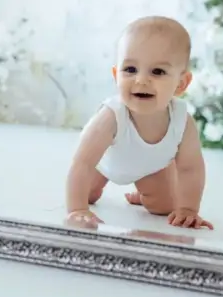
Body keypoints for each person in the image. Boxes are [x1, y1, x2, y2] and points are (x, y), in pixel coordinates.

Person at [65, 16, 213, 230]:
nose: (141, 80)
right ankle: (97, 190)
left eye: (158, 71)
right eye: (130, 70)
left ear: (181, 84)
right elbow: (82, 163)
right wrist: (77, 210)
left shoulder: (182, 121)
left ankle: (144, 193)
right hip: (104, 165)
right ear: (116, 75)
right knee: (88, 195)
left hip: (150, 169)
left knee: (164, 207)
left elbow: (191, 168)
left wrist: (189, 209)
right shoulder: (111, 116)